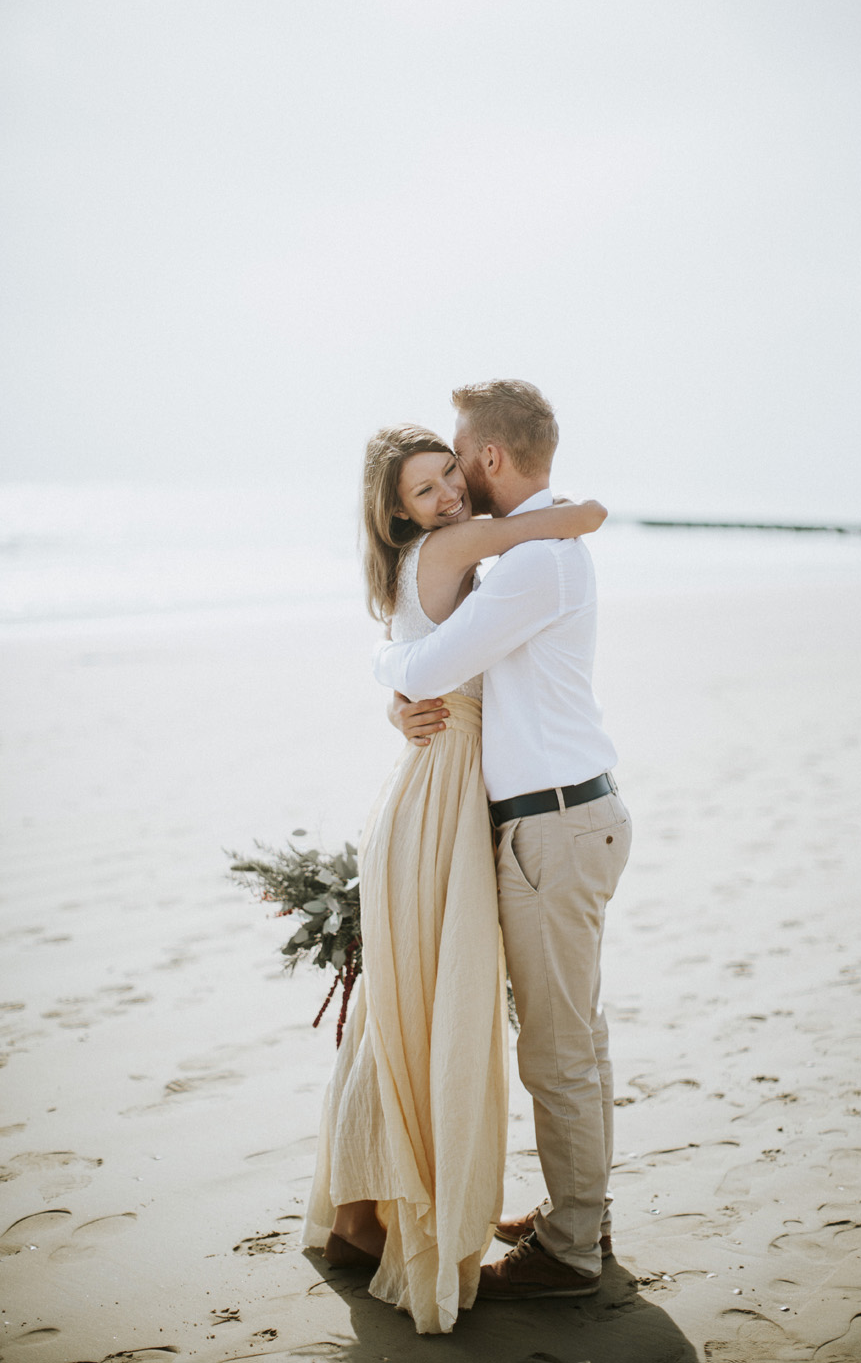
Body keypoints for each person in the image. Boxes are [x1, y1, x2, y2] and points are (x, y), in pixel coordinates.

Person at [304, 423, 606, 1334]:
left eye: (449, 477)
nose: (448, 496)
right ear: (396, 512)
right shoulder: (458, 544)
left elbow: (406, 651)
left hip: (429, 795)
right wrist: (579, 510)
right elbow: (574, 519)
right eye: (425, 489)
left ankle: (387, 1207)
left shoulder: (416, 565)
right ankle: (427, 1211)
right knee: (443, 1010)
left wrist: (390, 678)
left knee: (419, 1008)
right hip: (440, 804)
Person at [376, 380, 632, 1302]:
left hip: (553, 823)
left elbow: (433, 664)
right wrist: (399, 681)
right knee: (578, 1039)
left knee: (558, 1050)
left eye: (456, 457)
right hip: (568, 815)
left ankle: (569, 1250)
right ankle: (583, 1211)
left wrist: (385, 670)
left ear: (487, 458)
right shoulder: (543, 544)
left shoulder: (535, 560)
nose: (451, 481)